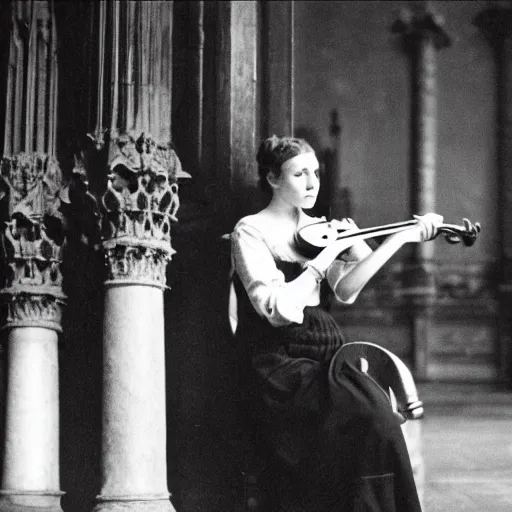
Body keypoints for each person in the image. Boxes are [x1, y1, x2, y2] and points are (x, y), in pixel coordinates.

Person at [230, 135, 443, 512]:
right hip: (278, 368)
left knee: (382, 422)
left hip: (327, 361)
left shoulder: (317, 228)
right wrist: (324, 258)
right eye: (300, 174)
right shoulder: (251, 230)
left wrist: (401, 238)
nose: (313, 183)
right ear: (273, 178)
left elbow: (346, 290)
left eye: (316, 173)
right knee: (367, 418)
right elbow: (276, 308)